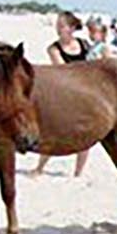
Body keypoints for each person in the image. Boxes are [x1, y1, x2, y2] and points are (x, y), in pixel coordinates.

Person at [34, 11, 91, 176]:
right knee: (53, 131)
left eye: (62, 26)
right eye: (57, 26)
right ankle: (39, 168)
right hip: (63, 93)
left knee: (85, 134)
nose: (58, 30)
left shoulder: (84, 45)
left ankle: (78, 173)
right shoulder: (53, 48)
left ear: (72, 28)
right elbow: (63, 70)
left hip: (85, 93)